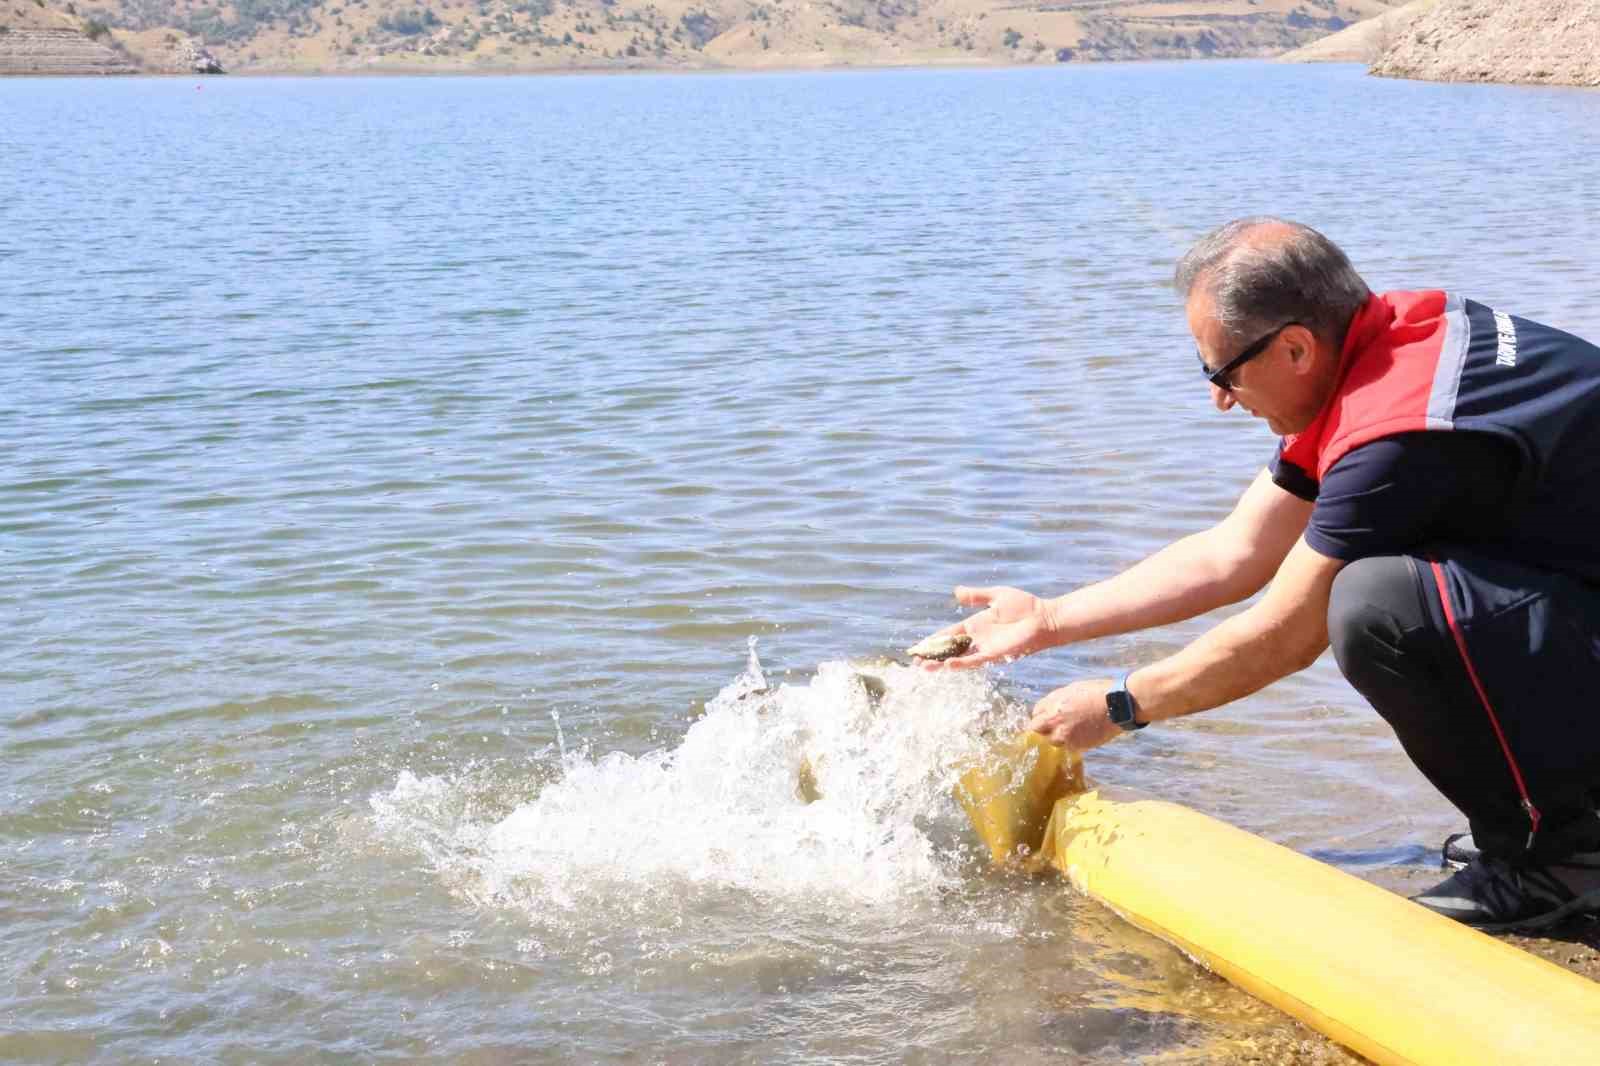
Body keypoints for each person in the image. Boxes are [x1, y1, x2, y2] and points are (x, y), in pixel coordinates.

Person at [921, 217, 1600, 932]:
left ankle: (1556, 859)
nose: (1219, 398)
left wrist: (1122, 705)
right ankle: (1556, 820)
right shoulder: (1386, 342)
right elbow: (1235, 551)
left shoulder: (1396, 432)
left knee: (1379, 607)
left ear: (1296, 348)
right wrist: (1050, 620)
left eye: (1222, 372)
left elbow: (1284, 635)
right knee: (1401, 589)